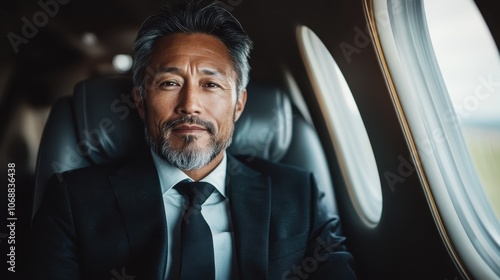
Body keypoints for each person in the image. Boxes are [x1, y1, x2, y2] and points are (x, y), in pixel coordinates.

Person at [23, 1, 357, 279]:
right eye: (169, 83)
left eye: (211, 85)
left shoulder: (300, 194)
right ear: (140, 100)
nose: (190, 105)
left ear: (238, 103)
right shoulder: (73, 201)